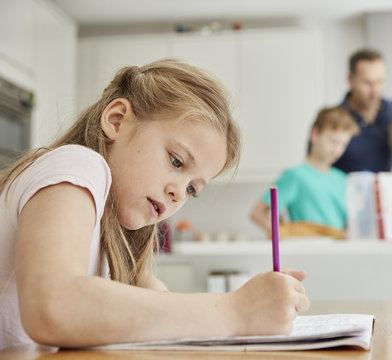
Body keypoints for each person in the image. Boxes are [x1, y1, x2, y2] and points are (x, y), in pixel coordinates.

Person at [0, 59, 309, 349]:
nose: (179, 194)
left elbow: (163, 309)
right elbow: (54, 305)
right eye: (176, 161)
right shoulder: (79, 165)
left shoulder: (117, 239)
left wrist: (256, 308)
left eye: (192, 188)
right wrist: (237, 310)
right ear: (117, 120)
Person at [250, 106, 359, 236]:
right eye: (332, 141)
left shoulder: (342, 179)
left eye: (343, 144)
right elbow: (257, 213)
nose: (337, 149)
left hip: (337, 251)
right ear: (315, 134)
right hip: (306, 251)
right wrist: (285, 236)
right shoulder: (295, 176)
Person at [333, 48, 392, 173]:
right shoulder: (332, 120)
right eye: (367, 83)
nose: (374, 90)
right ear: (350, 79)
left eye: (379, 82)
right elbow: (316, 171)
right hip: (347, 190)